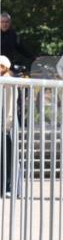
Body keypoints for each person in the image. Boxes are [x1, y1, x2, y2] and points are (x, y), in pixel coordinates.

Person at [0, 55, 12, 196]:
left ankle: (6, 187)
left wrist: (6, 125)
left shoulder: (8, 81)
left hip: (4, 126)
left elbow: (9, 107)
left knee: (5, 158)